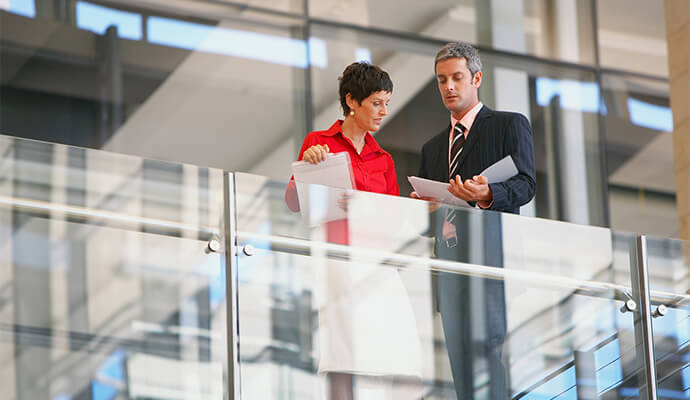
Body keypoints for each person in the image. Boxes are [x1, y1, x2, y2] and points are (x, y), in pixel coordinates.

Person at [286, 62, 422, 400]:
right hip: (339, 264)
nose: (383, 111)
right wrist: (310, 162)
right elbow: (293, 201)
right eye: (376, 102)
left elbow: (392, 220)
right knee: (342, 357)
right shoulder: (319, 143)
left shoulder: (384, 159)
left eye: (386, 103)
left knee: (406, 358)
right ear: (351, 101)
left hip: (379, 263)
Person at [413, 42, 536, 399]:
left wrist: (487, 195)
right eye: (441, 80)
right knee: (460, 369)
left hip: (492, 261)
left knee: (489, 356)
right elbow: (430, 218)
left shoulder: (508, 125)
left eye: (457, 78)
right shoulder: (432, 148)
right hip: (449, 270)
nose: (448, 87)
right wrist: (424, 212)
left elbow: (526, 185)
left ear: (476, 78)